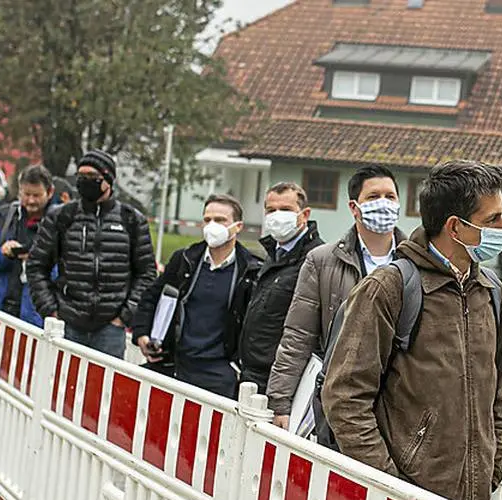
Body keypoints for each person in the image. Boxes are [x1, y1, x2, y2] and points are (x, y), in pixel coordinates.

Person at [322, 160, 502, 500]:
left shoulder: (493, 293)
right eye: (492, 219)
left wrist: (491, 467)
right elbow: (345, 396)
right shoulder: (389, 287)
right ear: (455, 227)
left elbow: (495, 391)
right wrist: (389, 483)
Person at [267, 164, 406, 428]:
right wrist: (280, 402)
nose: (384, 204)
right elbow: (298, 336)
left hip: (398, 404)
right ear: (354, 207)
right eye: (373, 197)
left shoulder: (414, 263)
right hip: (338, 402)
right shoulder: (322, 262)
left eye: (390, 197)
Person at [28, 150, 157, 358]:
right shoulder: (62, 216)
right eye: (81, 177)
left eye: (92, 178)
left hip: (111, 329)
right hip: (67, 323)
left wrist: (125, 315)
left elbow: (147, 273)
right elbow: (36, 265)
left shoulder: (131, 220)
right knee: (63, 386)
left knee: (104, 389)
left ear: (109, 181)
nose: (85, 182)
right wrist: (51, 310)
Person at [131, 193, 263, 398]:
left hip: (218, 373)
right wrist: (141, 335)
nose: (212, 225)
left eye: (220, 220)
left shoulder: (250, 271)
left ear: (238, 226)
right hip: (175, 365)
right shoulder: (184, 260)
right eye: (207, 220)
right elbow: (151, 296)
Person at [237, 182, 323, 393]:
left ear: (304, 214)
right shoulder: (273, 254)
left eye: (285, 210)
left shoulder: (316, 260)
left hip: (282, 382)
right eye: (270, 210)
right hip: (251, 375)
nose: (277, 216)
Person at [0, 165, 57, 327]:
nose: (31, 200)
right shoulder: (4, 216)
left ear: (50, 192)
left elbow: (68, 273)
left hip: (36, 321)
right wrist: (2, 254)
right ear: (19, 191)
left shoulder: (60, 223)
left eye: (37, 195)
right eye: (26, 194)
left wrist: (38, 260)